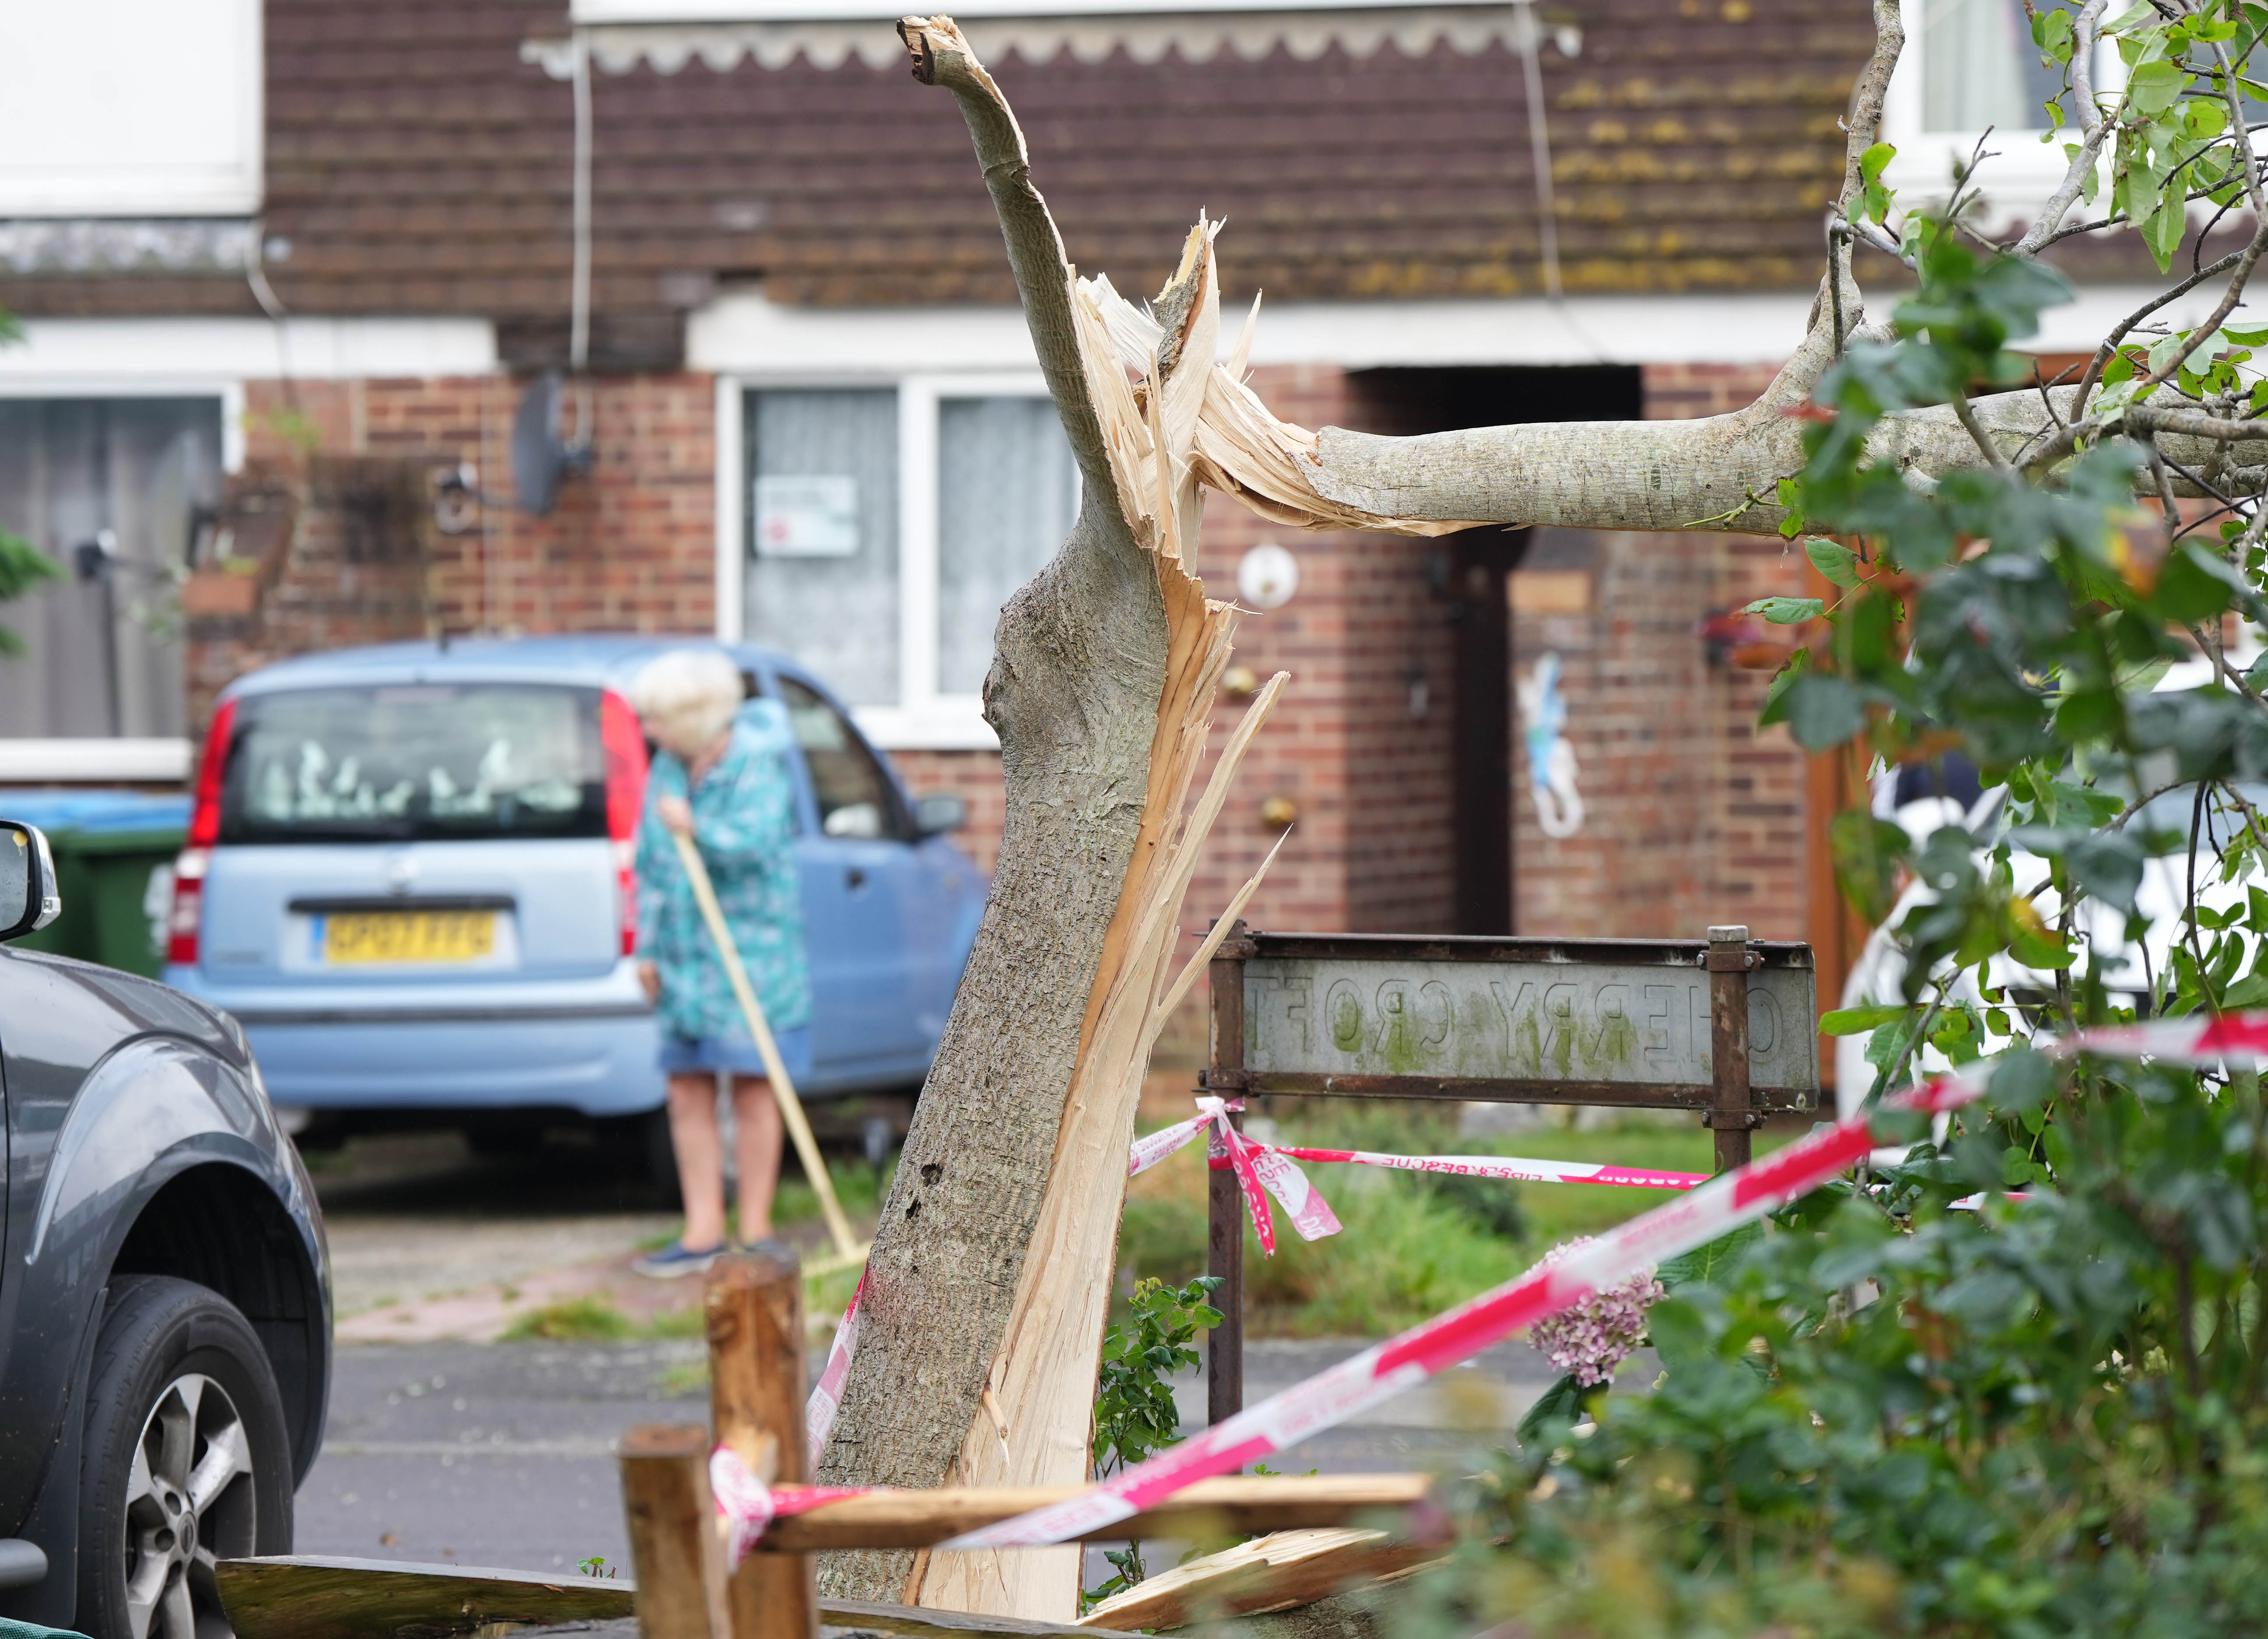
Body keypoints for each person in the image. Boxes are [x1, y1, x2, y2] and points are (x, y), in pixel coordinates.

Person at [627, 649, 812, 1277]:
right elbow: (651, 863)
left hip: (751, 956)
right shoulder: (667, 770)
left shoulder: (756, 763)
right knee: (686, 1089)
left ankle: (755, 1229)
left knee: (755, 1086)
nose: (648, 731)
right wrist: (645, 948)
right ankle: (703, 1229)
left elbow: (760, 843)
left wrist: (699, 828)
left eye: (657, 718)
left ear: (693, 717)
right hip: (684, 958)